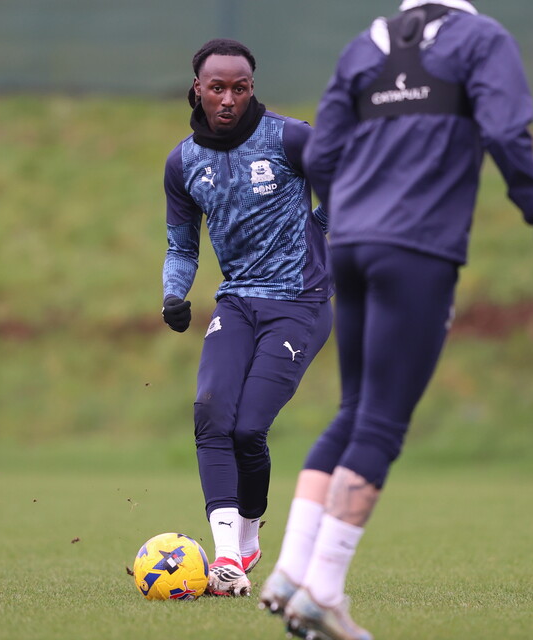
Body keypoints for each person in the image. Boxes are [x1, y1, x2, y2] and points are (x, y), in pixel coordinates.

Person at [258, 1, 533, 638]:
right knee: (381, 423)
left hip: (349, 247)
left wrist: (356, 211)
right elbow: (508, 135)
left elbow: (320, 158)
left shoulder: (362, 45)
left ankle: (290, 573)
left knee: (352, 410)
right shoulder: (483, 39)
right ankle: (325, 590)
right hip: (418, 250)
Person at [161, 38, 333, 598]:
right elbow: (182, 245)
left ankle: (251, 529)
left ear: (252, 88)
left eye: (240, 87)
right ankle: (228, 558)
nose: (228, 98)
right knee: (211, 413)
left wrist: (321, 232)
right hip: (236, 301)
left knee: (248, 428)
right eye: (217, 88)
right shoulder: (184, 163)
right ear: (198, 90)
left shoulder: (289, 138)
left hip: (300, 303)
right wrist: (174, 295)